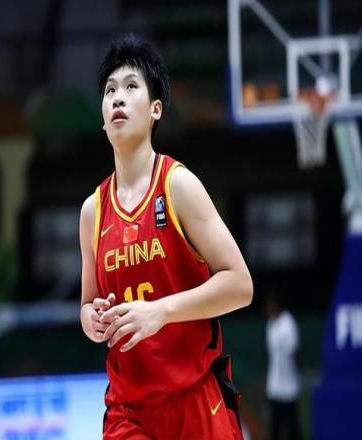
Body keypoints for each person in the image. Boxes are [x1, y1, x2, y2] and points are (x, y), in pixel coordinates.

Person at [79, 33, 253, 440]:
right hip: (128, 411)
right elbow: (87, 306)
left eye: (131, 87)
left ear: (155, 109)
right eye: (110, 90)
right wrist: (93, 320)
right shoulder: (93, 211)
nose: (118, 98)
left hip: (196, 400)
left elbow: (240, 285)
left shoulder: (178, 186)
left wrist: (161, 311)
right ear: (102, 117)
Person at [264, 290, 302, 440]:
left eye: (270, 304)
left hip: (289, 390)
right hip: (274, 388)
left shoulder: (288, 324)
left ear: (277, 304)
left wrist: (298, 373)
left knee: (293, 431)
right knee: (275, 431)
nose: (268, 307)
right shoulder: (270, 324)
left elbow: (294, 353)